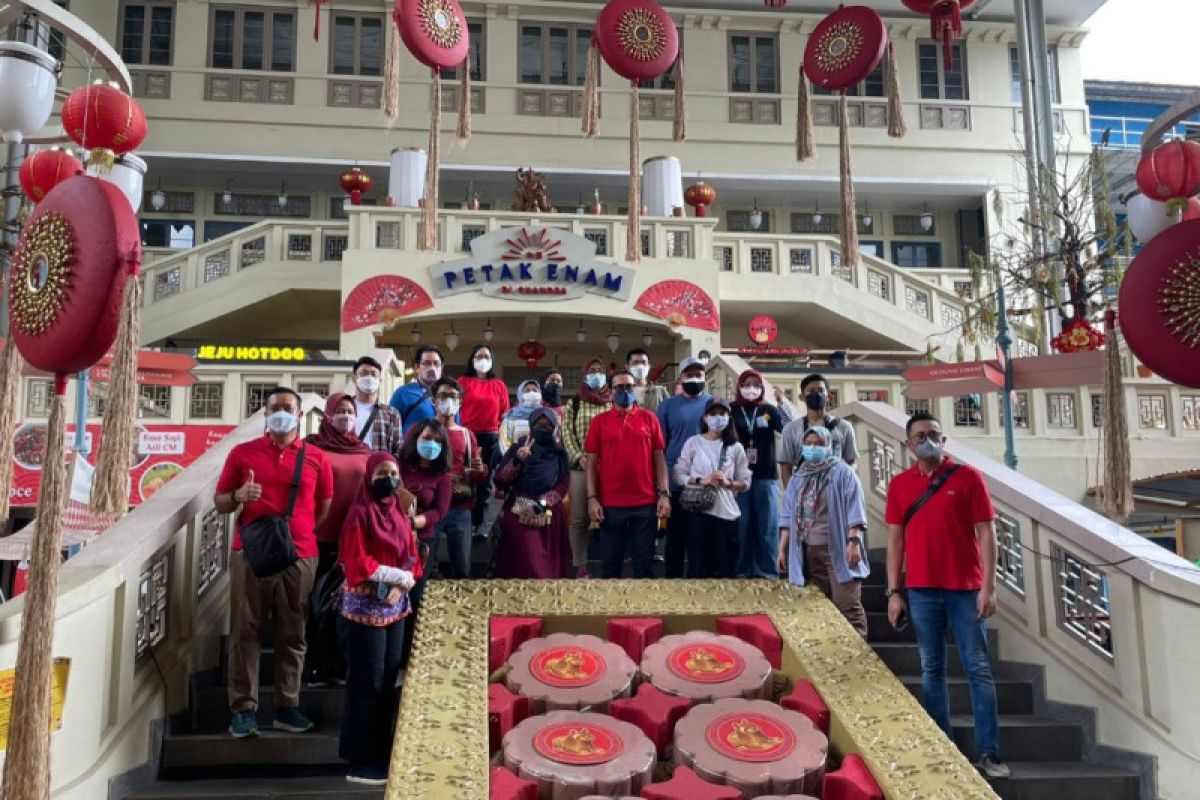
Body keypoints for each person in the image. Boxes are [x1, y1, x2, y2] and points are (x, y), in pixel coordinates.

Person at [885, 411, 1009, 779]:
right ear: (908, 445)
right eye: (919, 435)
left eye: (933, 434)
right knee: (931, 669)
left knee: (978, 669)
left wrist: (990, 586)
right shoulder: (900, 484)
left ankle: (989, 752)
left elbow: (987, 533)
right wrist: (894, 591)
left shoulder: (968, 477)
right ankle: (944, 746)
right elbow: (895, 541)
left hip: (966, 589)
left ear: (944, 439)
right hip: (921, 589)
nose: (927, 439)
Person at [214, 387, 333, 739]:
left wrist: (300, 535)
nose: (280, 412)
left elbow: (322, 507)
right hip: (250, 553)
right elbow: (219, 501)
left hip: (300, 555)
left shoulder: (315, 457)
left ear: (300, 415)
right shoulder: (242, 453)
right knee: (245, 631)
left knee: (293, 633)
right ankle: (243, 710)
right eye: (274, 407)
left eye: (287, 408)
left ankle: (287, 706)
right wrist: (238, 496)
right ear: (265, 414)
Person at [336, 452, 420, 785]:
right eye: (381, 473)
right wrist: (397, 577)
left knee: (388, 679)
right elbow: (357, 562)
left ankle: (382, 754)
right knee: (365, 683)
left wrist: (406, 581)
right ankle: (359, 760)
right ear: (369, 477)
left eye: (393, 472)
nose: (389, 478)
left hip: (395, 608)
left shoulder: (399, 510)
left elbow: (413, 551)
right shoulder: (359, 512)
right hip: (363, 610)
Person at [303, 393, 372, 685]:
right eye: (340, 411)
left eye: (350, 411)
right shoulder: (311, 447)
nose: (345, 416)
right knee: (315, 604)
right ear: (328, 415)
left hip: (354, 541)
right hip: (317, 538)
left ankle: (337, 666)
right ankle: (313, 666)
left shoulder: (364, 450)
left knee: (344, 607)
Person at [777, 426, 869, 637]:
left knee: (847, 605)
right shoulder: (799, 477)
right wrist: (782, 549)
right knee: (817, 607)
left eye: (819, 444)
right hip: (807, 550)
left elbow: (855, 508)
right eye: (809, 444)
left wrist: (854, 542)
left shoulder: (842, 472)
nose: (813, 448)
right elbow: (787, 514)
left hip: (839, 549)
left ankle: (858, 657)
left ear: (829, 446)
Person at [585, 369, 671, 579]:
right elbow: (591, 463)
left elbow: (659, 458)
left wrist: (664, 494)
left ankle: (644, 612)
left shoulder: (649, 419)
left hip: (644, 503)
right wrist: (592, 498)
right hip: (610, 505)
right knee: (610, 567)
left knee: (644, 568)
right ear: (611, 391)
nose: (625, 391)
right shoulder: (599, 422)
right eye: (619, 387)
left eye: (629, 387)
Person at [672, 398, 751, 578]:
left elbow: (746, 481)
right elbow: (678, 474)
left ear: (729, 417)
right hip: (699, 513)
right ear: (705, 418)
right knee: (698, 568)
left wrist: (728, 483)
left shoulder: (736, 447)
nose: (717, 418)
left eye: (722, 414)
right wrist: (701, 480)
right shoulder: (693, 442)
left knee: (726, 568)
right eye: (713, 414)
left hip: (727, 514)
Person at [396, 419, 452, 667]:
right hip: (393, 540)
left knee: (414, 597)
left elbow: (440, 512)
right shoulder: (399, 467)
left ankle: (409, 658)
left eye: (437, 441)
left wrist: (415, 522)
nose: (431, 444)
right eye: (427, 438)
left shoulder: (442, 477)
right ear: (416, 438)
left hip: (422, 544)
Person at [492, 408, 572, 579]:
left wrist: (541, 507)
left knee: (544, 567)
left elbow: (563, 485)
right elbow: (500, 481)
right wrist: (517, 460)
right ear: (531, 425)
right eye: (538, 424)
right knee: (526, 555)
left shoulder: (559, 454)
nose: (543, 428)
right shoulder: (518, 448)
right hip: (518, 506)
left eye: (547, 425)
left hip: (547, 507)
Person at [656, 356, 712, 578]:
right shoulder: (667, 405)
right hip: (676, 482)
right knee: (675, 540)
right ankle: (673, 586)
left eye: (699, 374)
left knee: (700, 542)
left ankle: (699, 588)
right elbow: (659, 447)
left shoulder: (713, 404)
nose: (694, 378)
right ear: (680, 377)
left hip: (705, 483)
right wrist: (663, 488)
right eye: (689, 374)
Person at [561, 358, 613, 578]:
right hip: (580, 467)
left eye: (600, 371)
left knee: (610, 517)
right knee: (579, 518)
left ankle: (610, 564)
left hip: (609, 468)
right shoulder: (574, 403)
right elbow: (566, 434)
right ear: (584, 375)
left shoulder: (613, 401)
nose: (596, 374)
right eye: (591, 371)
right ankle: (580, 565)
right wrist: (577, 457)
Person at [431, 377, 487, 578]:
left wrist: (480, 469)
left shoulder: (466, 434)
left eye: (453, 396)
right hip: (430, 507)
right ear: (433, 400)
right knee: (427, 567)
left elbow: (479, 476)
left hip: (460, 507)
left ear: (460, 402)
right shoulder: (423, 431)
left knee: (463, 569)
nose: (448, 400)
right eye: (443, 396)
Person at [730, 369, 784, 579]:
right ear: (739, 386)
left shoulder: (768, 409)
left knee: (767, 527)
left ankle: (767, 573)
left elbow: (786, 427)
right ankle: (742, 571)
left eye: (756, 384)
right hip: (738, 478)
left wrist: (782, 402)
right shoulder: (731, 409)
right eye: (746, 384)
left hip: (765, 476)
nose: (751, 388)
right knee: (742, 527)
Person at [459, 344, 510, 537]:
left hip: (490, 436)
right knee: (464, 478)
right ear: (472, 360)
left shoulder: (499, 385)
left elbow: (504, 415)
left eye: (486, 356)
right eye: (479, 356)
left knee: (485, 481)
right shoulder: (463, 381)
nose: (482, 360)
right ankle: (466, 522)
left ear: (491, 360)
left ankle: (481, 523)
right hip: (466, 435)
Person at [779, 373, 859, 486]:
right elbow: (786, 467)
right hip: (804, 490)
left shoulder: (844, 427)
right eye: (811, 391)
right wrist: (791, 495)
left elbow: (852, 461)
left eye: (821, 390)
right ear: (801, 397)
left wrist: (845, 480)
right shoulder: (791, 429)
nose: (816, 394)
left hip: (835, 489)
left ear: (829, 396)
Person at [350, 356, 404, 457]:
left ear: (380, 379)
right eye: (363, 373)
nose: (369, 378)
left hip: (379, 470)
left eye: (373, 374)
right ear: (354, 378)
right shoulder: (343, 410)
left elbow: (398, 449)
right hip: (349, 468)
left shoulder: (391, 413)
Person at [390, 345, 445, 435]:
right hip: (411, 448)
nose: (432, 368)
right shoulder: (403, 393)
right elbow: (391, 427)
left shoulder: (449, 395)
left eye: (436, 363)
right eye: (427, 363)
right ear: (417, 367)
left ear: (442, 367)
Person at [500, 379, 544, 452]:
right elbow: (504, 442)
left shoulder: (546, 415)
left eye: (535, 390)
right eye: (527, 390)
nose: (531, 393)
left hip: (541, 460)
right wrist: (515, 458)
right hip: (515, 459)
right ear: (520, 395)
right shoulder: (510, 417)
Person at [626, 348, 669, 413]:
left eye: (643, 362)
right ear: (628, 367)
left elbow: (670, 413)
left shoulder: (660, 391)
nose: (640, 366)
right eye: (635, 362)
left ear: (649, 366)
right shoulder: (623, 392)